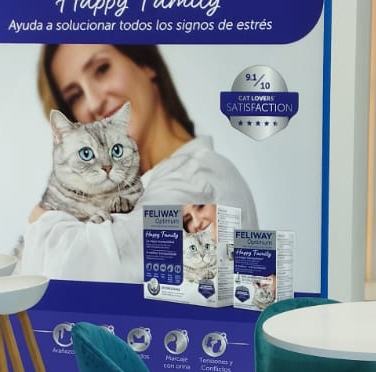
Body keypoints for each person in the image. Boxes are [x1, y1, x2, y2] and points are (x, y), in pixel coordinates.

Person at [22, 44, 257, 282]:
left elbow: (81, 269)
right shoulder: (152, 181)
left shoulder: (194, 178)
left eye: (102, 69)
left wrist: (41, 218)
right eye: (75, 96)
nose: (93, 103)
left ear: (146, 63)